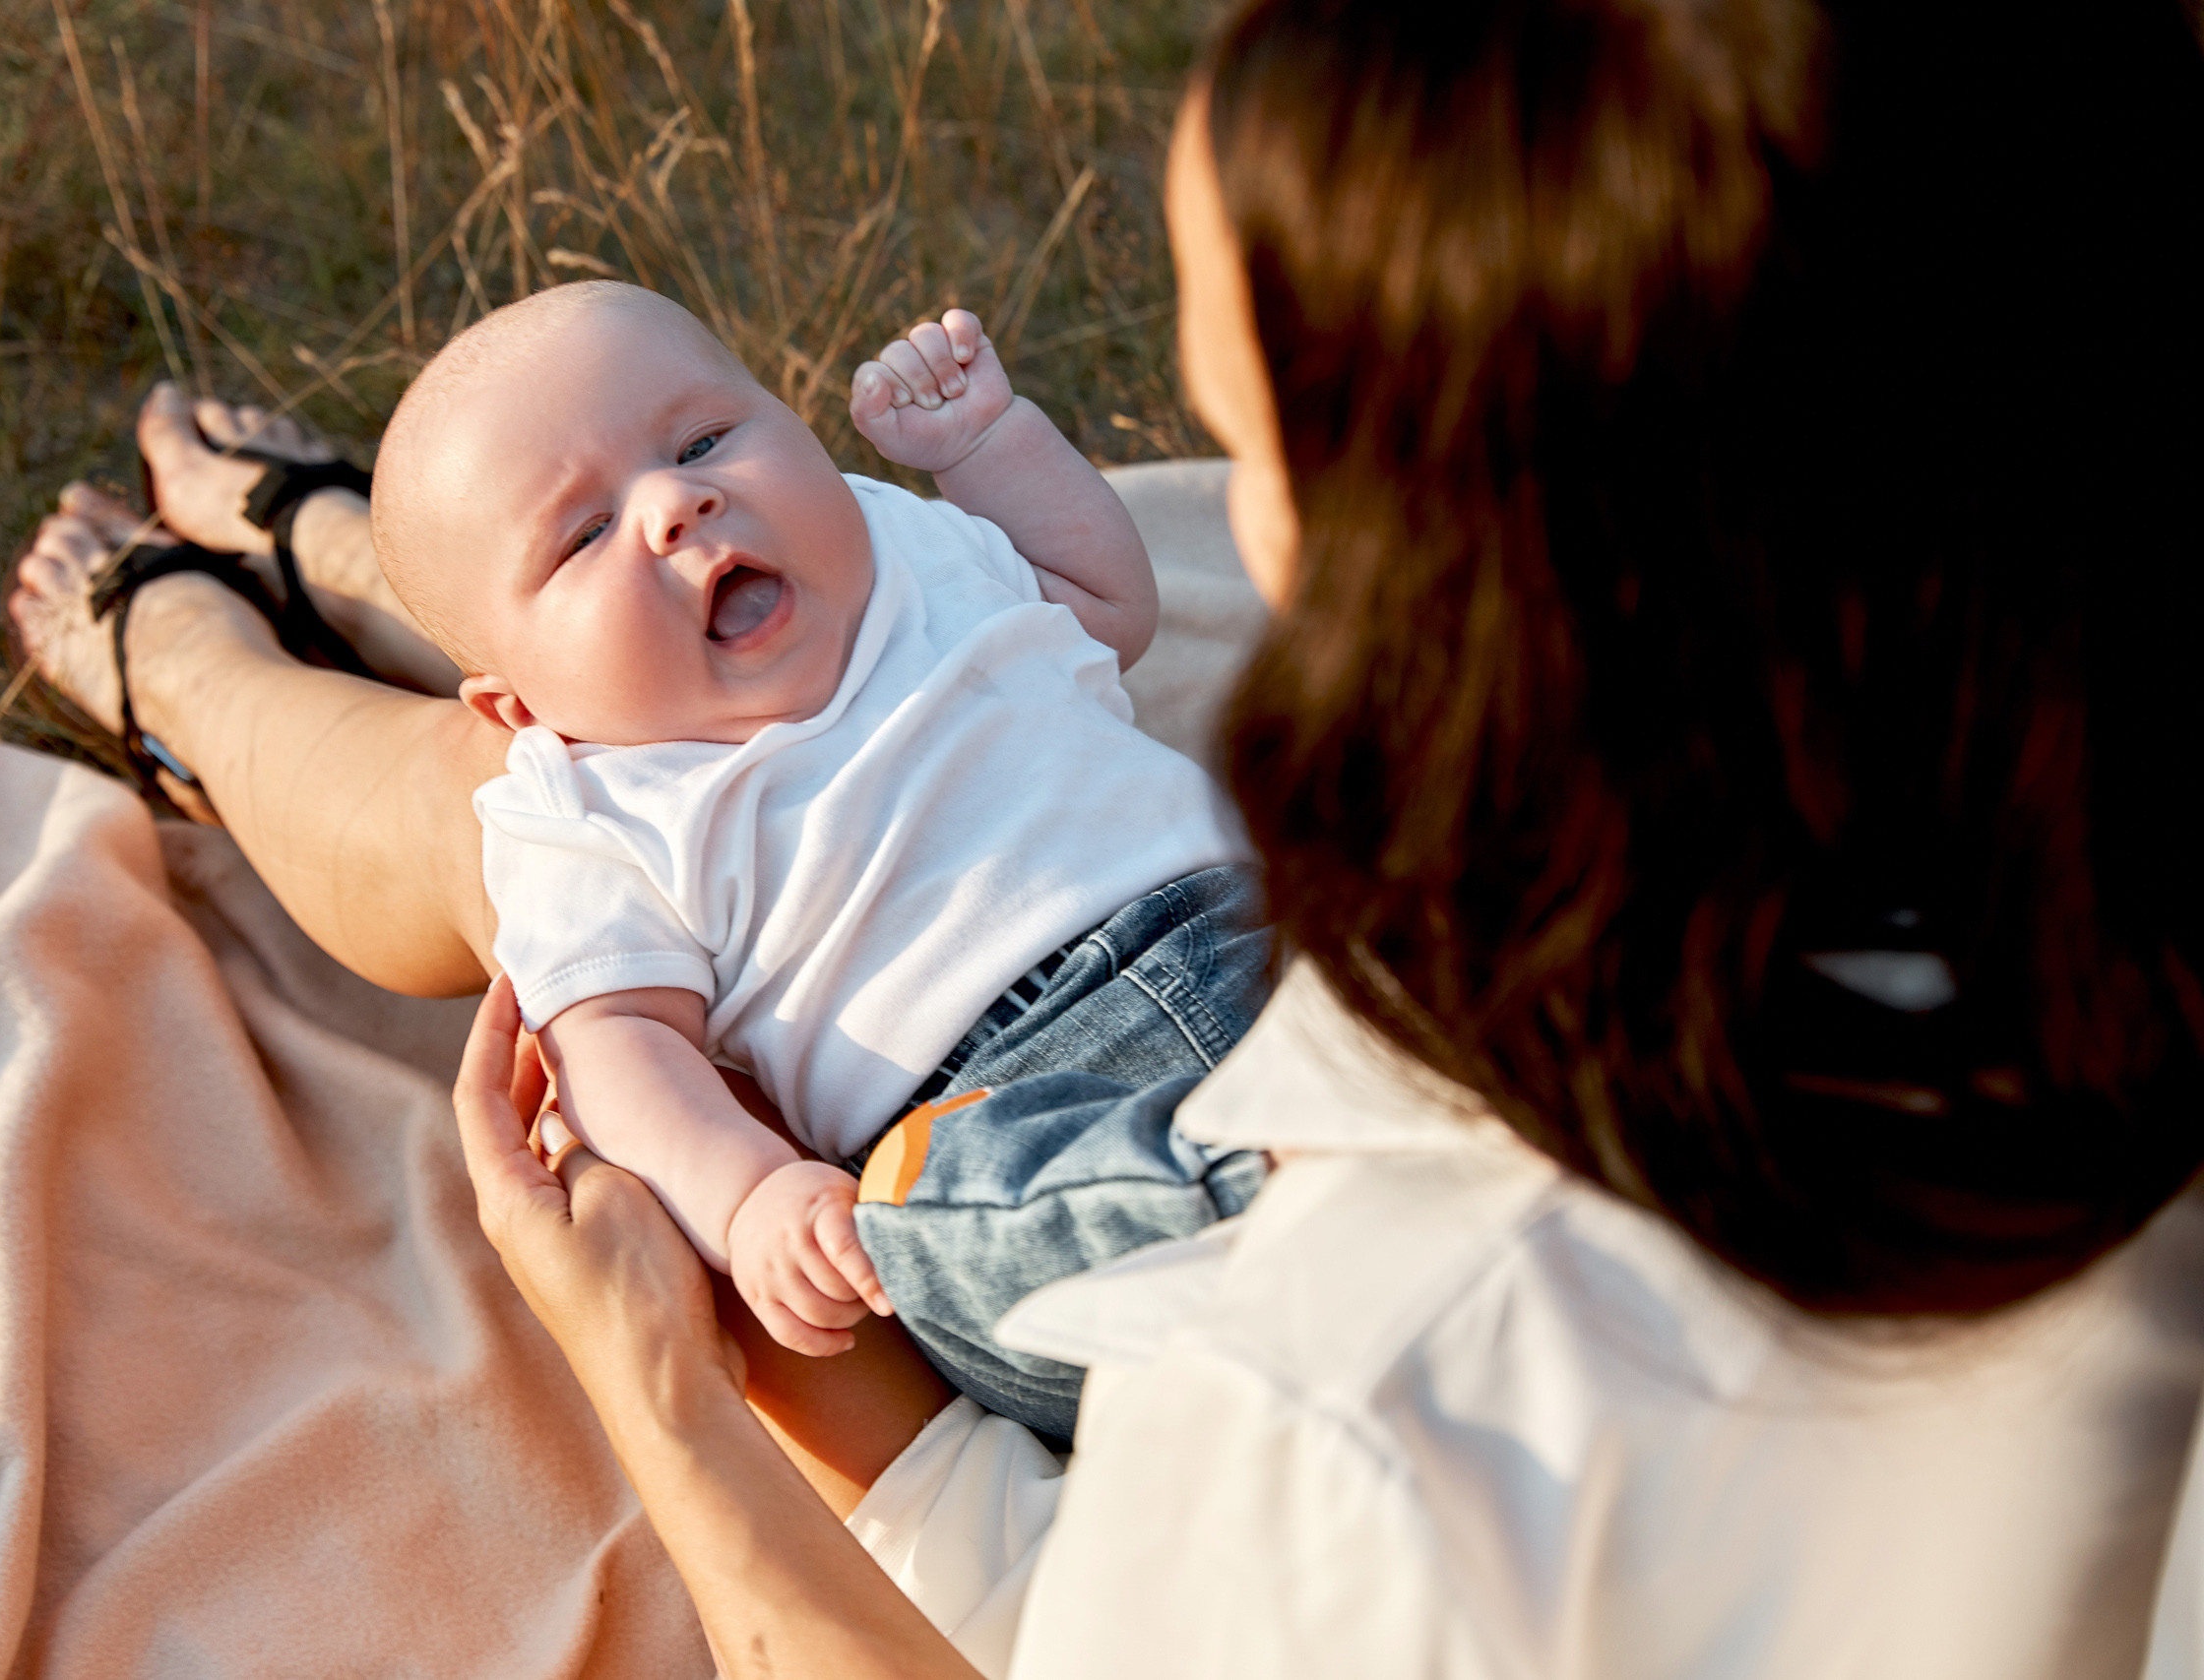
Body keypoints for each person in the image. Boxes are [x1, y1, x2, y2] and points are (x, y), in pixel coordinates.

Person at [439, 0, 2204, 1674]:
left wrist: (661, 1374)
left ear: (1464, 558)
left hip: (1078, 1148)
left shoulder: (1341, 1402)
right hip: (967, 1038)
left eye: (1238, 445)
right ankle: (215, 620)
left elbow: (1067, 1606)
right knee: (438, 817)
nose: (1232, 524)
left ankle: (201, 627)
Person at [362, 281, 1263, 1431]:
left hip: (1248, 931)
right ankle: (1271, 1189)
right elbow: (616, 1046)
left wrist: (989, 448)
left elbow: (1103, 606)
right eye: (584, 534)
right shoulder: (587, 810)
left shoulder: (901, 546)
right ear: (518, 707)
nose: (678, 504)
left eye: (703, 440)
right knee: (941, 1237)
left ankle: (1314, 1177)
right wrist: (747, 1196)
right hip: (1001, 1109)